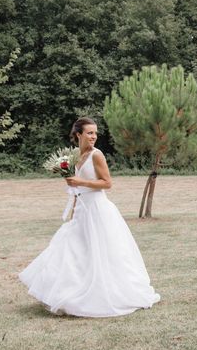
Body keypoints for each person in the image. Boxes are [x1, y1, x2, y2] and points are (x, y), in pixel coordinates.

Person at [19, 117, 160, 317]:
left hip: (98, 210)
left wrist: (80, 181)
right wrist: (74, 204)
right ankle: (67, 293)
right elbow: (76, 185)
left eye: (95, 133)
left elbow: (107, 183)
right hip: (81, 210)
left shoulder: (97, 155)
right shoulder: (76, 155)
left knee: (101, 252)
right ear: (78, 134)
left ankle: (105, 295)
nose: (93, 136)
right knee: (73, 250)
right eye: (89, 133)